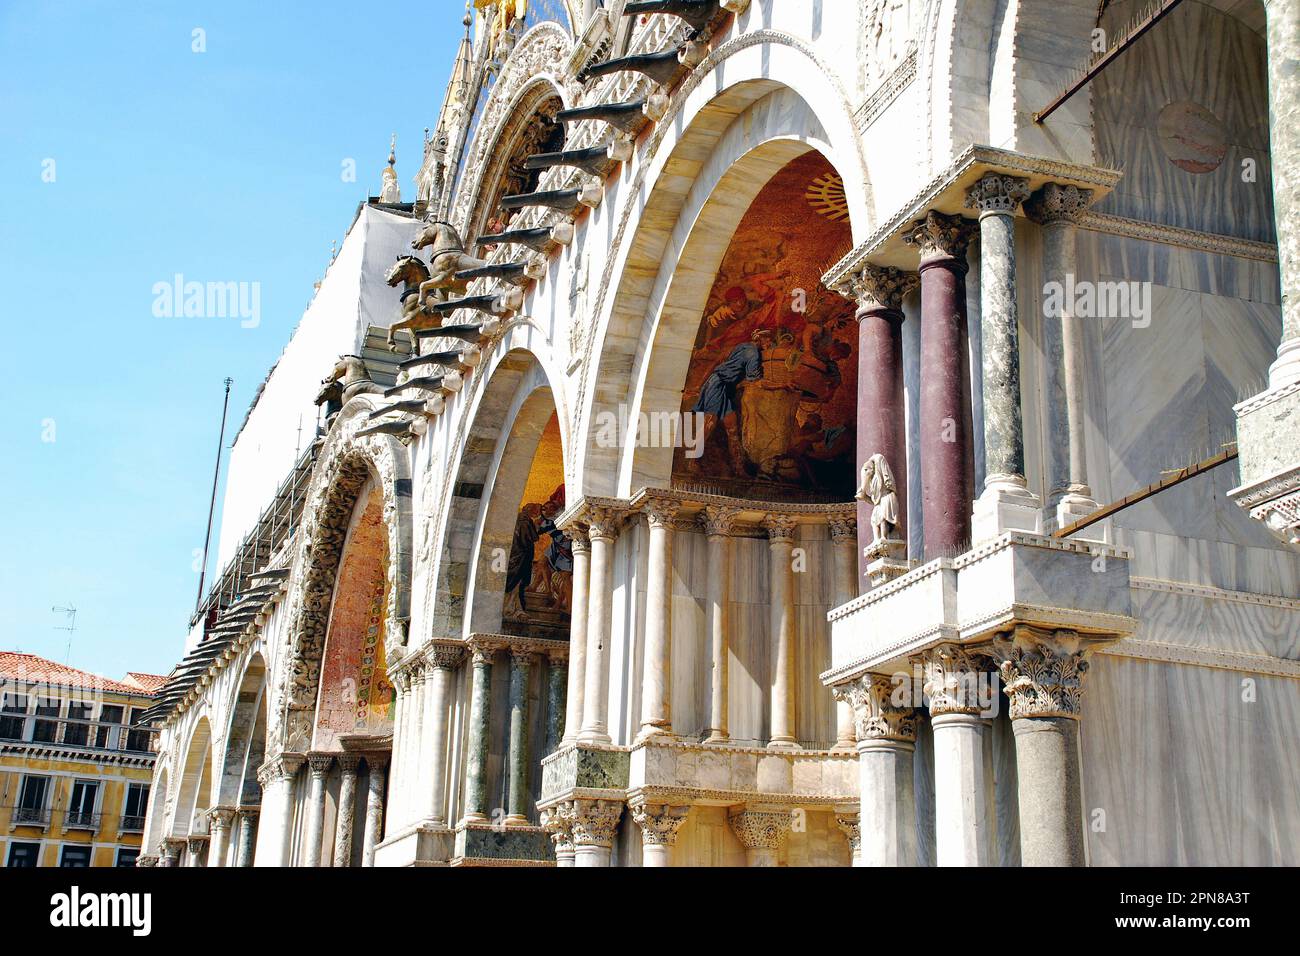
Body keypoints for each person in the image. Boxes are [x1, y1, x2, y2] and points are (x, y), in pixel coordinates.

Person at [689, 329, 778, 476]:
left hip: (721, 385)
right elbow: (755, 382)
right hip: (719, 385)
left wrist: (700, 385)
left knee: (732, 428)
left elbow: (718, 360)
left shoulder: (741, 346)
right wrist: (780, 385)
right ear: (760, 339)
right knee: (709, 423)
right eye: (768, 339)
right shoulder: (754, 354)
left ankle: (738, 468)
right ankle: (692, 461)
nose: (769, 343)